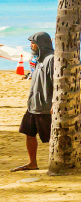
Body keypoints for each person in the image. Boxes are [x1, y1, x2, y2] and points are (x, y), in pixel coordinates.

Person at [13, 32, 54, 171]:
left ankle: (58, 164)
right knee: (28, 133)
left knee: (52, 138)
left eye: (33, 42)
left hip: (45, 107)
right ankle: (32, 163)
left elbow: (56, 83)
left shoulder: (51, 59)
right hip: (32, 106)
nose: (31, 45)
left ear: (41, 43)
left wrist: (54, 104)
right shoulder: (38, 60)